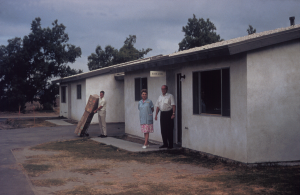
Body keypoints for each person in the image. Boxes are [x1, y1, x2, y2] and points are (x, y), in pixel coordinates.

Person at [155, 85, 176, 149]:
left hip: (169, 113)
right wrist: (156, 115)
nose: (163, 90)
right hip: (162, 114)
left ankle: (170, 145)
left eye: (164, 89)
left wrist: (173, 113)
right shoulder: (160, 97)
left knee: (169, 129)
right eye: (162, 89)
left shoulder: (170, 96)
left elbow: (173, 105)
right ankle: (165, 144)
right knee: (163, 129)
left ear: (167, 89)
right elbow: (158, 106)